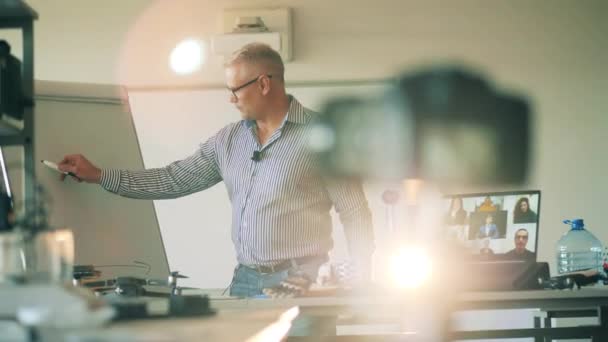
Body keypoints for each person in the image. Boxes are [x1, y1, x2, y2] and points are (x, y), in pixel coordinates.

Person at [57, 43, 374, 297]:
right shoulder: (229, 140)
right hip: (246, 282)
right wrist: (100, 175)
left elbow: (354, 210)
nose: (230, 99)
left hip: (304, 283)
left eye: (235, 89)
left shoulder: (322, 135)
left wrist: (359, 277)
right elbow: (174, 178)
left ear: (263, 83)